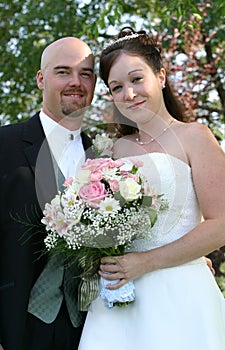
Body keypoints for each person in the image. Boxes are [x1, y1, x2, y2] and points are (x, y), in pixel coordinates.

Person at [78, 27, 225, 350]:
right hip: (118, 296)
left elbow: (221, 225)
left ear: (160, 75)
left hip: (182, 292)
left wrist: (147, 262)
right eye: (117, 87)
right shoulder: (113, 152)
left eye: (136, 79)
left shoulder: (195, 137)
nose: (129, 94)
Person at [0, 36, 96, 350]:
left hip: (90, 326)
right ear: (41, 79)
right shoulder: (5, 144)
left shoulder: (107, 158)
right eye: (63, 72)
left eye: (85, 73)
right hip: (17, 324)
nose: (76, 82)